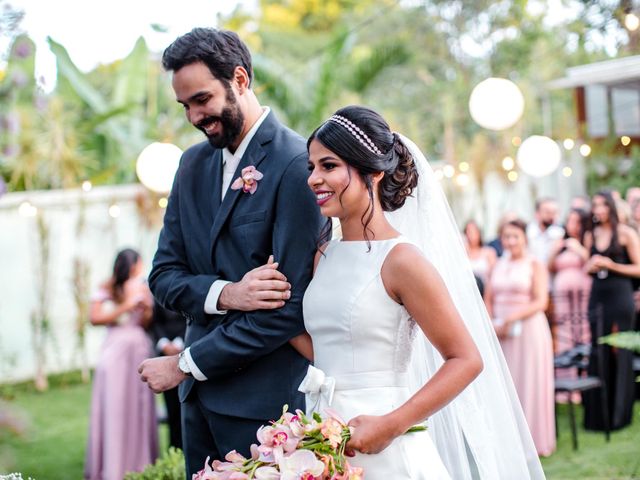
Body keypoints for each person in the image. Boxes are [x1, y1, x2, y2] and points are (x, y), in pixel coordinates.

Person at [292, 106, 544, 479]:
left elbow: (466, 359)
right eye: (311, 167)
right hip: (325, 435)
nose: (314, 178)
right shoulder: (324, 254)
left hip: (385, 438)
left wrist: (392, 425)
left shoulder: (402, 260)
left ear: (373, 173)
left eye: (328, 166)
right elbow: (330, 348)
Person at [136, 27, 324, 477]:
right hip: (197, 406)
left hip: (267, 412)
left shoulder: (297, 163)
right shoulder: (191, 165)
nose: (195, 116)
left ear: (239, 79)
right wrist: (226, 294)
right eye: (185, 106)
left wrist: (186, 365)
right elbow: (162, 276)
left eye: (202, 100)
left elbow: (290, 308)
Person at [85, 248, 158, 480]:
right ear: (132, 264)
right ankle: (113, 466)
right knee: (114, 407)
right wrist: (126, 305)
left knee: (139, 407)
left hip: (138, 349)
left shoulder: (144, 287)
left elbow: (146, 322)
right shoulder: (106, 288)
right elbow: (95, 318)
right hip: (115, 352)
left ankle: (139, 464)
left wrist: (145, 309)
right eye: (139, 263)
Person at [485, 219, 556, 457]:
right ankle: (509, 442)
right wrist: (491, 322)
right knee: (507, 386)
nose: (511, 241)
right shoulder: (497, 264)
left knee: (529, 382)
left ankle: (535, 441)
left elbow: (540, 301)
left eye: (515, 236)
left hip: (529, 330)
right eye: (506, 236)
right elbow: (488, 297)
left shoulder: (534, 263)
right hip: (501, 331)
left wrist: (513, 317)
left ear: (524, 238)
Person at [583, 190, 640, 431]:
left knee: (620, 349)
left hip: (620, 295)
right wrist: (591, 267)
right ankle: (598, 415)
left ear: (611, 208)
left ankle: (620, 414)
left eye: (602, 205)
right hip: (598, 294)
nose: (598, 210)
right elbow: (587, 267)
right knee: (598, 350)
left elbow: (638, 268)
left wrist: (611, 264)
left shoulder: (626, 233)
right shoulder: (591, 235)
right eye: (594, 205)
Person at [547, 208, 592, 403]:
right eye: (570, 220)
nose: (573, 225)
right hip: (561, 296)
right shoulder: (560, 243)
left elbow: (591, 261)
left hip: (583, 293)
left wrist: (577, 247)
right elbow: (549, 267)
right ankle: (566, 387)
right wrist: (555, 250)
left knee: (583, 331)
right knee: (563, 333)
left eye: (577, 221)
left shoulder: (587, 240)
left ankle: (583, 382)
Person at [148, 302, 186, 450]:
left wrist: (179, 342)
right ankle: (175, 448)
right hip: (164, 356)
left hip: (188, 348)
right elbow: (155, 322)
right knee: (172, 409)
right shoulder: (158, 297)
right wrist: (164, 344)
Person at [527, 197, 565, 264]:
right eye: (547, 212)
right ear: (537, 214)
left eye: (555, 212)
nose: (551, 216)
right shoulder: (527, 232)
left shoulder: (562, 234)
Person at [463, 219, 497, 292]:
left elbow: (494, 275)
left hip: (485, 290)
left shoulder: (489, 252)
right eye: (468, 231)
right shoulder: (462, 253)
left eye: (473, 231)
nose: (470, 234)